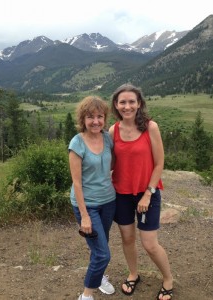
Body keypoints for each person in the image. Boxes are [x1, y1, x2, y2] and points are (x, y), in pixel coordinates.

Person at [109, 84, 173, 300]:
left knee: (149, 244)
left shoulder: (150, 127)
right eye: (122, 102)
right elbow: (112, 162)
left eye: (131, 102)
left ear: (139, 104)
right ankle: (133, 274)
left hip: (147, 193)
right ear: (116, 106)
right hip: (122, 194)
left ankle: (168, 279)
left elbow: (159, 163)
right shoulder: (113, 130)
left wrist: (148, 193)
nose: (127, 106)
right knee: (127, 238)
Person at [68, 96, 116, 300]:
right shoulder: (77, 143)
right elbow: (77, 183)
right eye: (90, 117)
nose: (95, 121)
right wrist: (85, 216)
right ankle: (86, 296)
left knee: (100, 246)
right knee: (103, 253)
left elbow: (111, 165)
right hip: (87, 205)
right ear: (83, 119)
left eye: (100, 116)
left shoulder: (107, 138)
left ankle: (100, 275)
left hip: (108, 201)